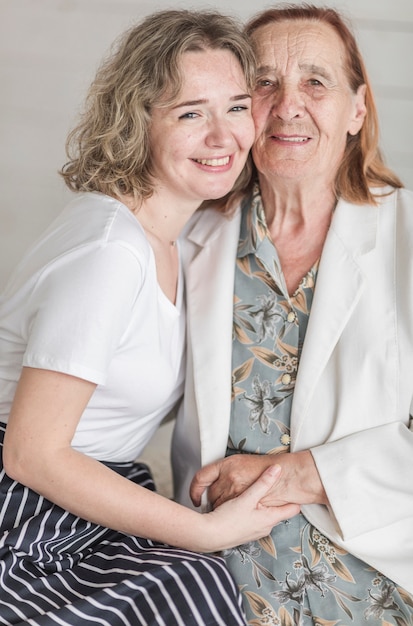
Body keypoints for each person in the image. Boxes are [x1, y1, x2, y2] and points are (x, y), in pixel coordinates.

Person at [0, 9, 300, 625]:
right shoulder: (110, 252)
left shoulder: (175, 237)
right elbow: (31, 454)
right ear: (137, 123)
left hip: (74, 494)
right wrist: (204, 532)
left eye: (237, 107)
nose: (224, 137)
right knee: (192, 582)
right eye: (191, 113)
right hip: (23, 506)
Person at [172, 4, 413, 625]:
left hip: (377, 577)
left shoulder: (406, 234)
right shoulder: (187, 234)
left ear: (357, 109)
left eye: (315, 81)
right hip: (211, 578)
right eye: (263, 83)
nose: (287, 105)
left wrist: (302, 474)